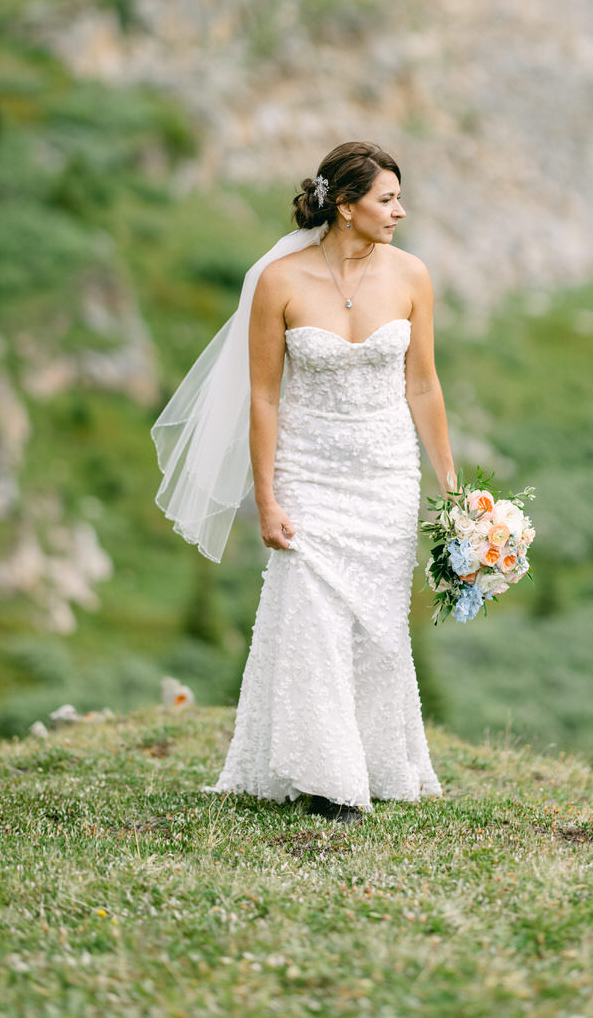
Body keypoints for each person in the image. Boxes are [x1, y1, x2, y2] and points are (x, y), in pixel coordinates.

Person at [153, 141, 453, 823]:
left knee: (376, 624)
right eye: (385, 199)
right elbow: (262, 397)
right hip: (307, 471)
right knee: (311, 617)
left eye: (398, 198)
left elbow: (424, 384)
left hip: (384, 473)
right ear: (344, 207)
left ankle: (375, 762)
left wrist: (452, 486)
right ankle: (331, 781)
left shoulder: (412, 276)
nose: (399, 211)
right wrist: (266, 496)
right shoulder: (279, 282)